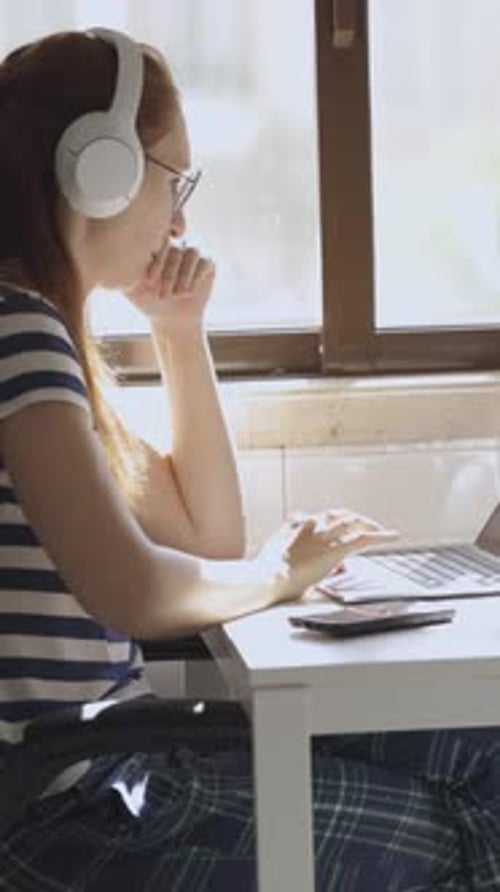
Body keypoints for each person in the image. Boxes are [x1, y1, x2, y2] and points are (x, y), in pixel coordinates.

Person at [0, 26, 498, 891]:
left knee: (479, 749)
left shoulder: (39, 339)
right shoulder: (19, 336)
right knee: (471, 833)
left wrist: (178, 334)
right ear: (99, 172)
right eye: (173, 180)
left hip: (100, 763)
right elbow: (142, 591)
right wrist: (279, 571)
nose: (181, 217)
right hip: (69, 806)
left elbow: (205, 536)